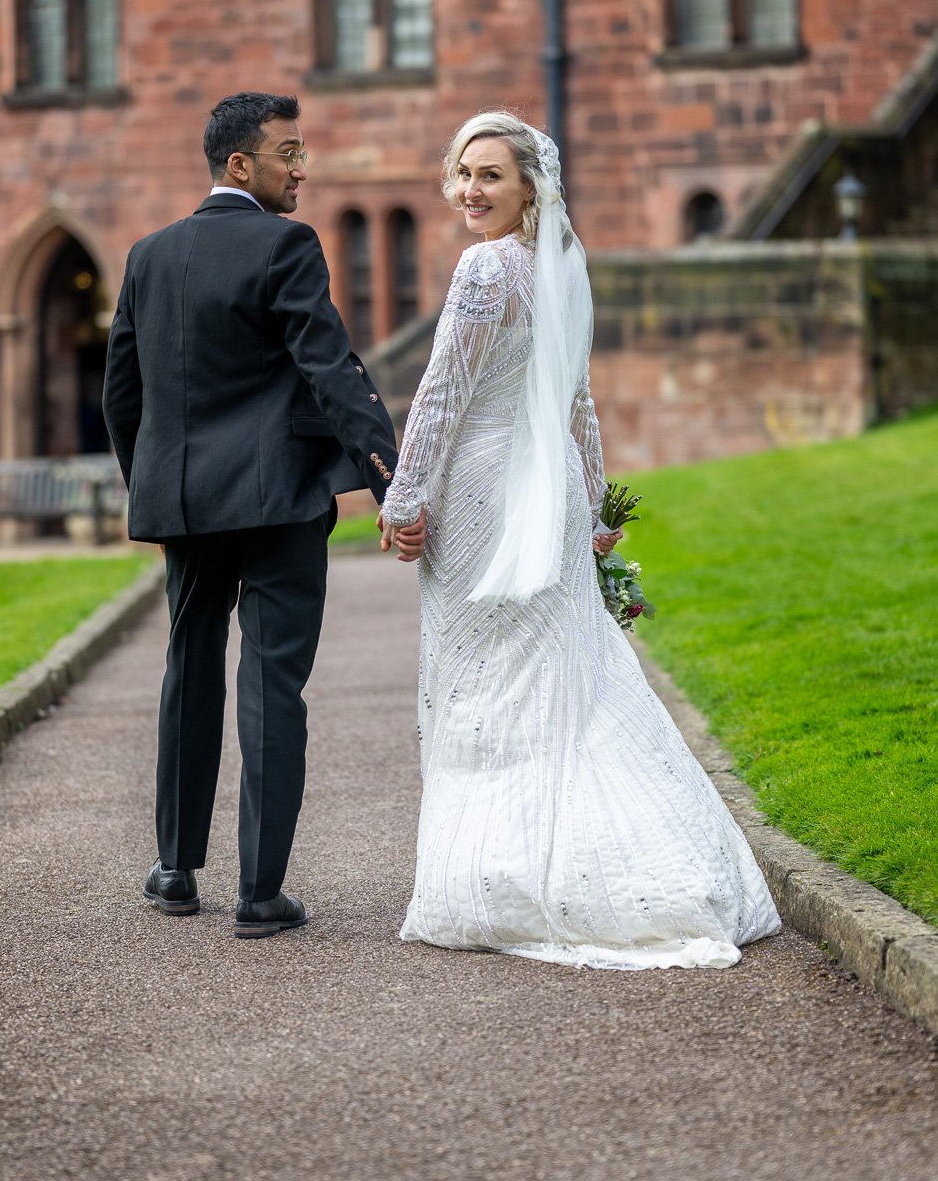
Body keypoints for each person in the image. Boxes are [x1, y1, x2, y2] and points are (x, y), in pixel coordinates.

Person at [379, 112, 781, 969]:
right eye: (462, 174)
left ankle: (501, 870)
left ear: (530, 185)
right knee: (560, 669)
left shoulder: (487, 267)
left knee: (485, 674)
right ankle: (582, 855)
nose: (469, 191)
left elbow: (445, 390)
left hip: (487, 487)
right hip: (552, 487)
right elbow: (579, 407)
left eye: (489, 175)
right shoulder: (562, 261)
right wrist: (593, 509)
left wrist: (402, 497)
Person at [103, 91, 425, 937]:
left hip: (183, 504)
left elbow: (121, 393)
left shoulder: (147, 255)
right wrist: (391, 483)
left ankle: (175, 871)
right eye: (289, 152)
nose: (302, 168)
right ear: (241, 164)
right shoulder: (286, 245)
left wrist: (153, 485)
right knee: (271, 682)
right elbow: (332, 368)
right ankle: (258, 892)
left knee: (189, 668)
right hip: (279, 500)